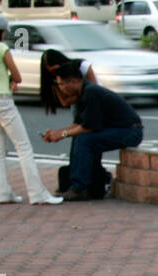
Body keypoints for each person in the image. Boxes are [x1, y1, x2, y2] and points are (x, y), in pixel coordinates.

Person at [0, 11, 63, 205]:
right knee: (23, 147)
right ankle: (38, 194)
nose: (5, 34)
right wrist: (12, 80)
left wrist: (8, 79)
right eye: (4, 31)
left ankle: (3, 193)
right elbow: (17, 76)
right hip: (2, 101)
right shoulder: (1, 48)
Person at [40, 62, 142, 201]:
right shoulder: (84, 93)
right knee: (80, 138)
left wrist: (62, 134)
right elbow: (78, 124)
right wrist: (56, 133)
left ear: (74, 81)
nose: (62, 89)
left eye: (63, 84)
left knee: (85, 139)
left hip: (130, 132)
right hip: (119, 129)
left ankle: (79, 188)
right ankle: (79, 181)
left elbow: (89, 127)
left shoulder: (91, 92)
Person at [39, 49, 98, 115]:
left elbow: (94, 91)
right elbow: (65, 102)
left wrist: (77, 96)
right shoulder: (54, 78)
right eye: (51, 72)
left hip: (96, 101)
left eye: (55, 70)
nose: (55, 74)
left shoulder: (83, 66)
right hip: (77, 105)